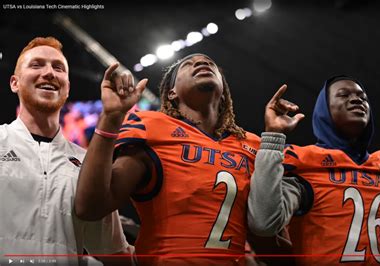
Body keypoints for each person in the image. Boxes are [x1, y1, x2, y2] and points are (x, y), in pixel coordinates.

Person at [74, 53, 261, 265]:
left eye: (210, 63)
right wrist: (110, 118)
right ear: (171, 93)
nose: (202, 63)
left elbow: (265, 233)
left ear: (224, 93)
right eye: (188, 64)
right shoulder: (151, 126)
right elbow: (89, 207)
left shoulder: (252, 145)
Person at [248, 76, 380, 265]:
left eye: (362, 97)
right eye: (343, 94)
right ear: (324, 110)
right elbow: (264, 224)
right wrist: (274, 135)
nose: (356, 99)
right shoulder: (307, 165)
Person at [0, 37, 131, 265]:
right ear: (14, 83)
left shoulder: (88, 164)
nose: (49, 72)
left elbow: (115, 254)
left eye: (58, 68)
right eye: (37, 65)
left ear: (67, 88)